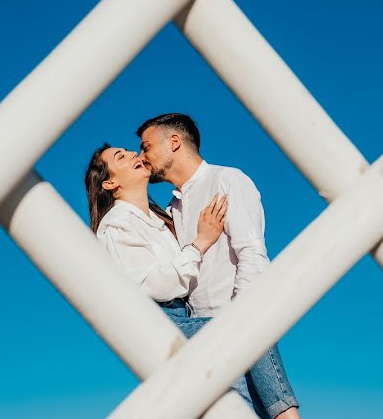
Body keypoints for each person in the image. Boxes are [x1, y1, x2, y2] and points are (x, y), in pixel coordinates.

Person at [85, 144, 297, 418]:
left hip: (183, 317)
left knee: (235, 382)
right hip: (160, 323)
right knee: (244, 325)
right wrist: (201, 242)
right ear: (110, 182)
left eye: (130, 151)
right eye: (121, 157)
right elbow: (153, 285)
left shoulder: (163, 218)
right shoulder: (116, 225)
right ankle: (286, 413)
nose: (133, 155)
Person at [136, 113, 300, 419]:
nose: (141, 157)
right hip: (203, 343)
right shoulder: (171, 210)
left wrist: (239, 320)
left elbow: (252, 253)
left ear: (174, 142)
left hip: (240, 325)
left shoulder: (227, 180)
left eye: (146, 147)